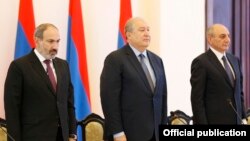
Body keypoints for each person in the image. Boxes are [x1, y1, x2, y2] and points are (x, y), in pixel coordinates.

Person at [4, 23, 77, 141]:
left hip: (62, 136)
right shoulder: (19, 66)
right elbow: (12, 109)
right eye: (50, 41)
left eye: (58, 41)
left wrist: (72, 134)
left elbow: (69, 104)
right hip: (33, 136)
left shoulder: (63, 65)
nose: (55, 46)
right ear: (37, 40)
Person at [100, 17, 168, 141]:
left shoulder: (157, 60)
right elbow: (109, 100)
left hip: (155, 134)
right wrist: (117, 133)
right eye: (142, 30)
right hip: (128, 134)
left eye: (148, 30)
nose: (147, 33)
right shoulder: (115, 59)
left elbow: (162, 98)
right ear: (129, 35)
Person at [190, 24, 247, 124]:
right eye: (222, 36)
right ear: (210, 39)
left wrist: (243, 118)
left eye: (228, 36)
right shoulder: (201, 62)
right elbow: (197, 100)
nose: (227, 40)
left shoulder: (235, 60)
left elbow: (239, 93)